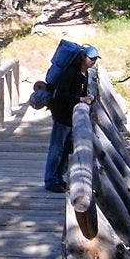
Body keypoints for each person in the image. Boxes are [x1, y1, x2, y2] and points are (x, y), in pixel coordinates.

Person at [43, 45, 100, 192]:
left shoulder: (85, 73)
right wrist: (80, 99)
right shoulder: (70, 72)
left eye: (95, 59)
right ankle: (50, 180)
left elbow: (81, 92)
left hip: (72, 117)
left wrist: (88, 98)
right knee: (57, 148)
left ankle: (59, 178)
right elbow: (62, 94)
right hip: (62, 114)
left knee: (66, 148)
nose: (93, 61)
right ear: (83, 57)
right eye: (91, 58)